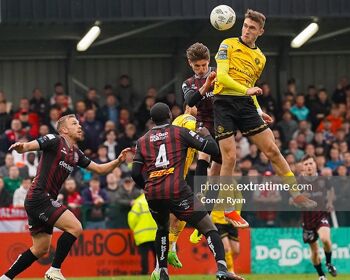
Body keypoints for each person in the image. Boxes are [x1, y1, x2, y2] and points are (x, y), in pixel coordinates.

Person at [213, 9, 316, 226]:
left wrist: (258, 109)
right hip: (223, 103)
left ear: (261, 31)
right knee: (229, 157)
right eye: (245, 26)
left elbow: (250, 86)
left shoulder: (260, 58)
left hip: (247, 105)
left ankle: (296, 194)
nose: (247, 30)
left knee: (273, 150)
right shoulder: (227, 44)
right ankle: (227, 209)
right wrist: (246, 90)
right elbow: (221, 76)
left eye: (252, 28)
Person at [0, 114, 129, 280]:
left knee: (40, 249)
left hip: (39, 201)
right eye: (74, 123)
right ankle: (54, 270)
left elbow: (100, 169)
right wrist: (23, 147)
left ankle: (6, 278)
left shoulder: (76, 153)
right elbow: (35, 144)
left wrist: (118, 160)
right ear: (64, 129)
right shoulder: (55, 139)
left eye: (79, 123)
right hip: (39, 197)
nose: (79, 126)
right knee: (75, 227)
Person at [131, 102, 243, 280]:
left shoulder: (142, 141)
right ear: (170, 115)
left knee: (161, 228)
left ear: (152, 120)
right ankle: (222, 269)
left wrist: (146, 186)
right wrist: (205, 134)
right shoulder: (179, 132)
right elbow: (212, 149)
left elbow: (135, 172)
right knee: (209, 228)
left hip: (153, 192)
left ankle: (162, 271)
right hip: (176, 189)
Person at [298, 155, 337, 280]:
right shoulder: (298, 182)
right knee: (314, 252)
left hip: (321, 216)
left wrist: (330, 202)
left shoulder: (323, 179)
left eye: (310, 163)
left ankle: (329, 263)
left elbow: (331, 190)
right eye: (306, 164)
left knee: (325, 239)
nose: (309, 166)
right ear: (302, 168)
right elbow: (290, 201)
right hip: (307, 221)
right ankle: (321, 275)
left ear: (315, 165)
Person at [128, 192, 157, 275]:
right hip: (156, 233)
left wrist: (134, 228)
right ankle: (158, 271)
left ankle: (144, 272)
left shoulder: (138, 203)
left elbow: (132, 219)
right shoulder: (156, 201)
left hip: (142, 235)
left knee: (144, 256)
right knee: (157, 256)